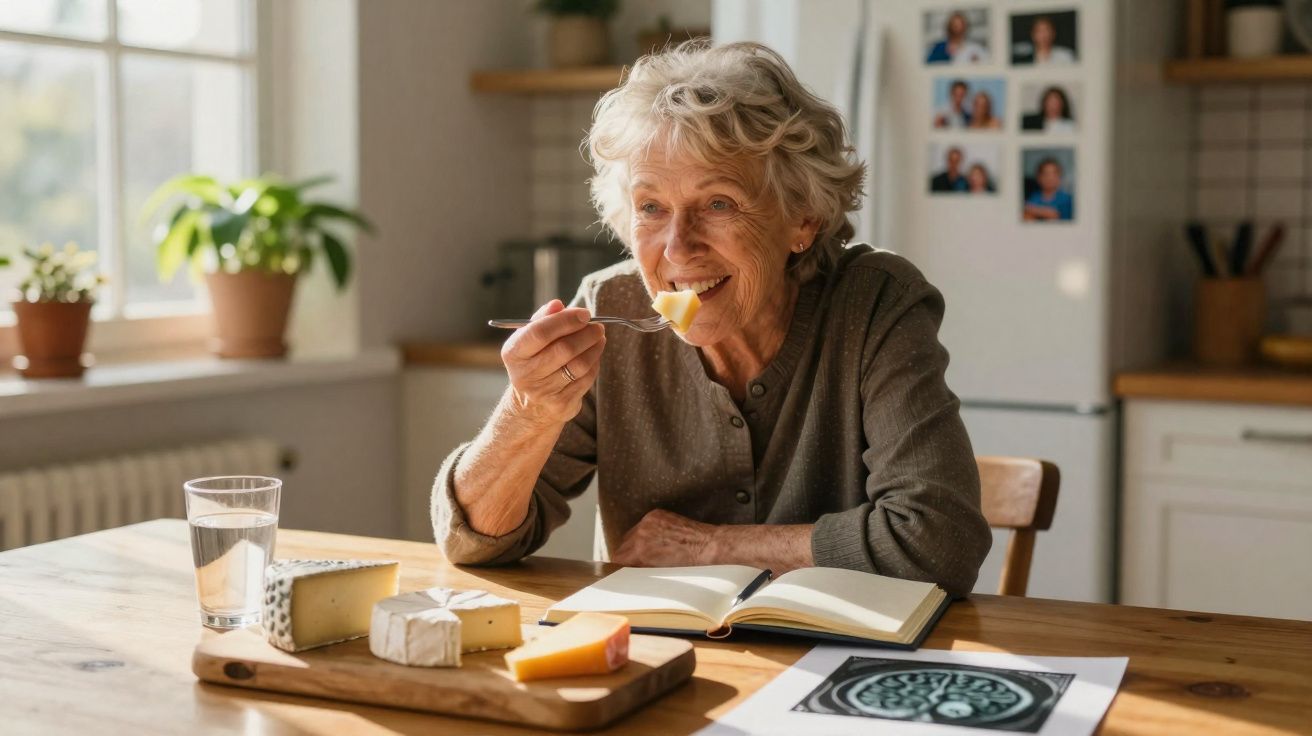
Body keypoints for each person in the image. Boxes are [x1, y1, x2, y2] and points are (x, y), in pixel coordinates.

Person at [433, 41, 991, 597]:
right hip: (650, 655)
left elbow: (939, 541)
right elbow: (474, 542)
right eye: (651, 208)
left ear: (804, 219)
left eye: (719, 203)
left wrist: (712, 547)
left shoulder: (875, 306)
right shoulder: (610, 309)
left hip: (839, 663)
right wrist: (528, 413)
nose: (677, 249)